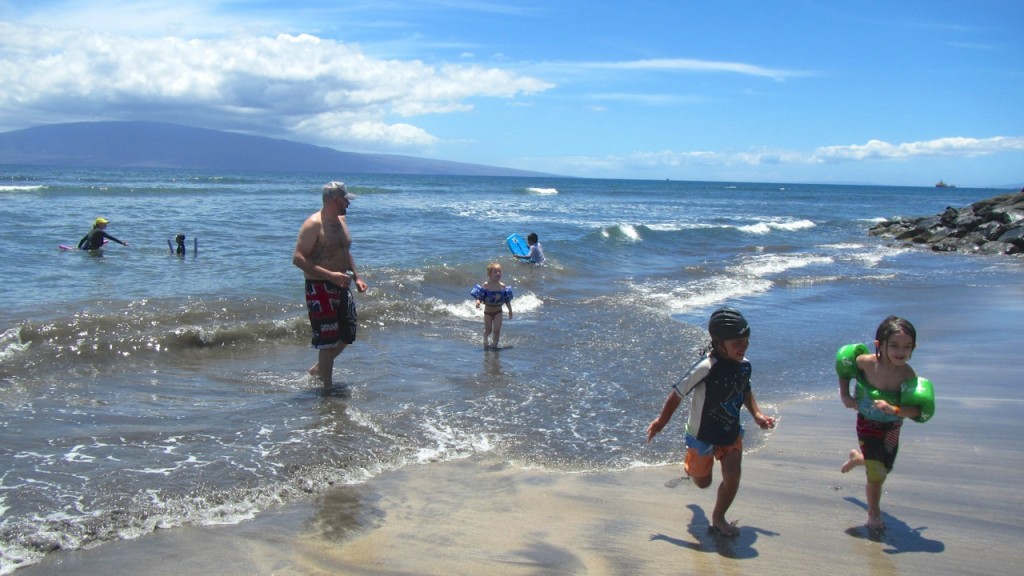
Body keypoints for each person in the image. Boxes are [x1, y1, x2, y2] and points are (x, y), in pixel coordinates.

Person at [646, 308, 776, 537]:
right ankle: (692, 468)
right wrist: (661, 422)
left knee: (733, 474)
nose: (743, 347)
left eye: (746, 341)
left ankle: (718, 517)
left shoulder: (744, 365)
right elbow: (677, 393)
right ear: (718, 343)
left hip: (730, 432)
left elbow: (745, 389)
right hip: (701, 435)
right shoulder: (705, 367)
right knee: (703, 482)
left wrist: (757, 414)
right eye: (737, 343)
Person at [837, 315, 933, 531]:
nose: (901, 352)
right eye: (895, 346)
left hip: (892, 426)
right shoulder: (866, 363)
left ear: (914, 348)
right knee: (877, 473)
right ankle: (874, 514)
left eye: (907, 347)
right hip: (867, 423)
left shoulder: (908, 375)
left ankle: (858, 459)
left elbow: (915, 410)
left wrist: (895, 410)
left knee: (884, 466)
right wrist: (844, 395)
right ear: (880, 345)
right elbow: (844, 370)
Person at [292, 181, 369, 388]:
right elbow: (298, 258)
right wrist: (329, 275)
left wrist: (357, 277)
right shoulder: (314, 224)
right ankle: (327, 390)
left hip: (342, 284)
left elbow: (344, 252)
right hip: (319, 287)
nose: (348, 204)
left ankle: (319, 369)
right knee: (327, 341)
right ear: (336, 200)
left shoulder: (342, 220)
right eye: (346, 200)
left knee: (348, 333)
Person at [470, 262, 513, 349]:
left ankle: (494, 346)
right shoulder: (486, 285)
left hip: (498, 312)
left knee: (496, 330)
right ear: (489, 274)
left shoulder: (502, 286)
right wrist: (478, 302)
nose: (498, 273)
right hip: (488, 313)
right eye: (495, 272)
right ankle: (485, 337)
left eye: (499, 271)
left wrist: (510, 311)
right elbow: (480, 296)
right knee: (488, 331)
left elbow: (507, 300)